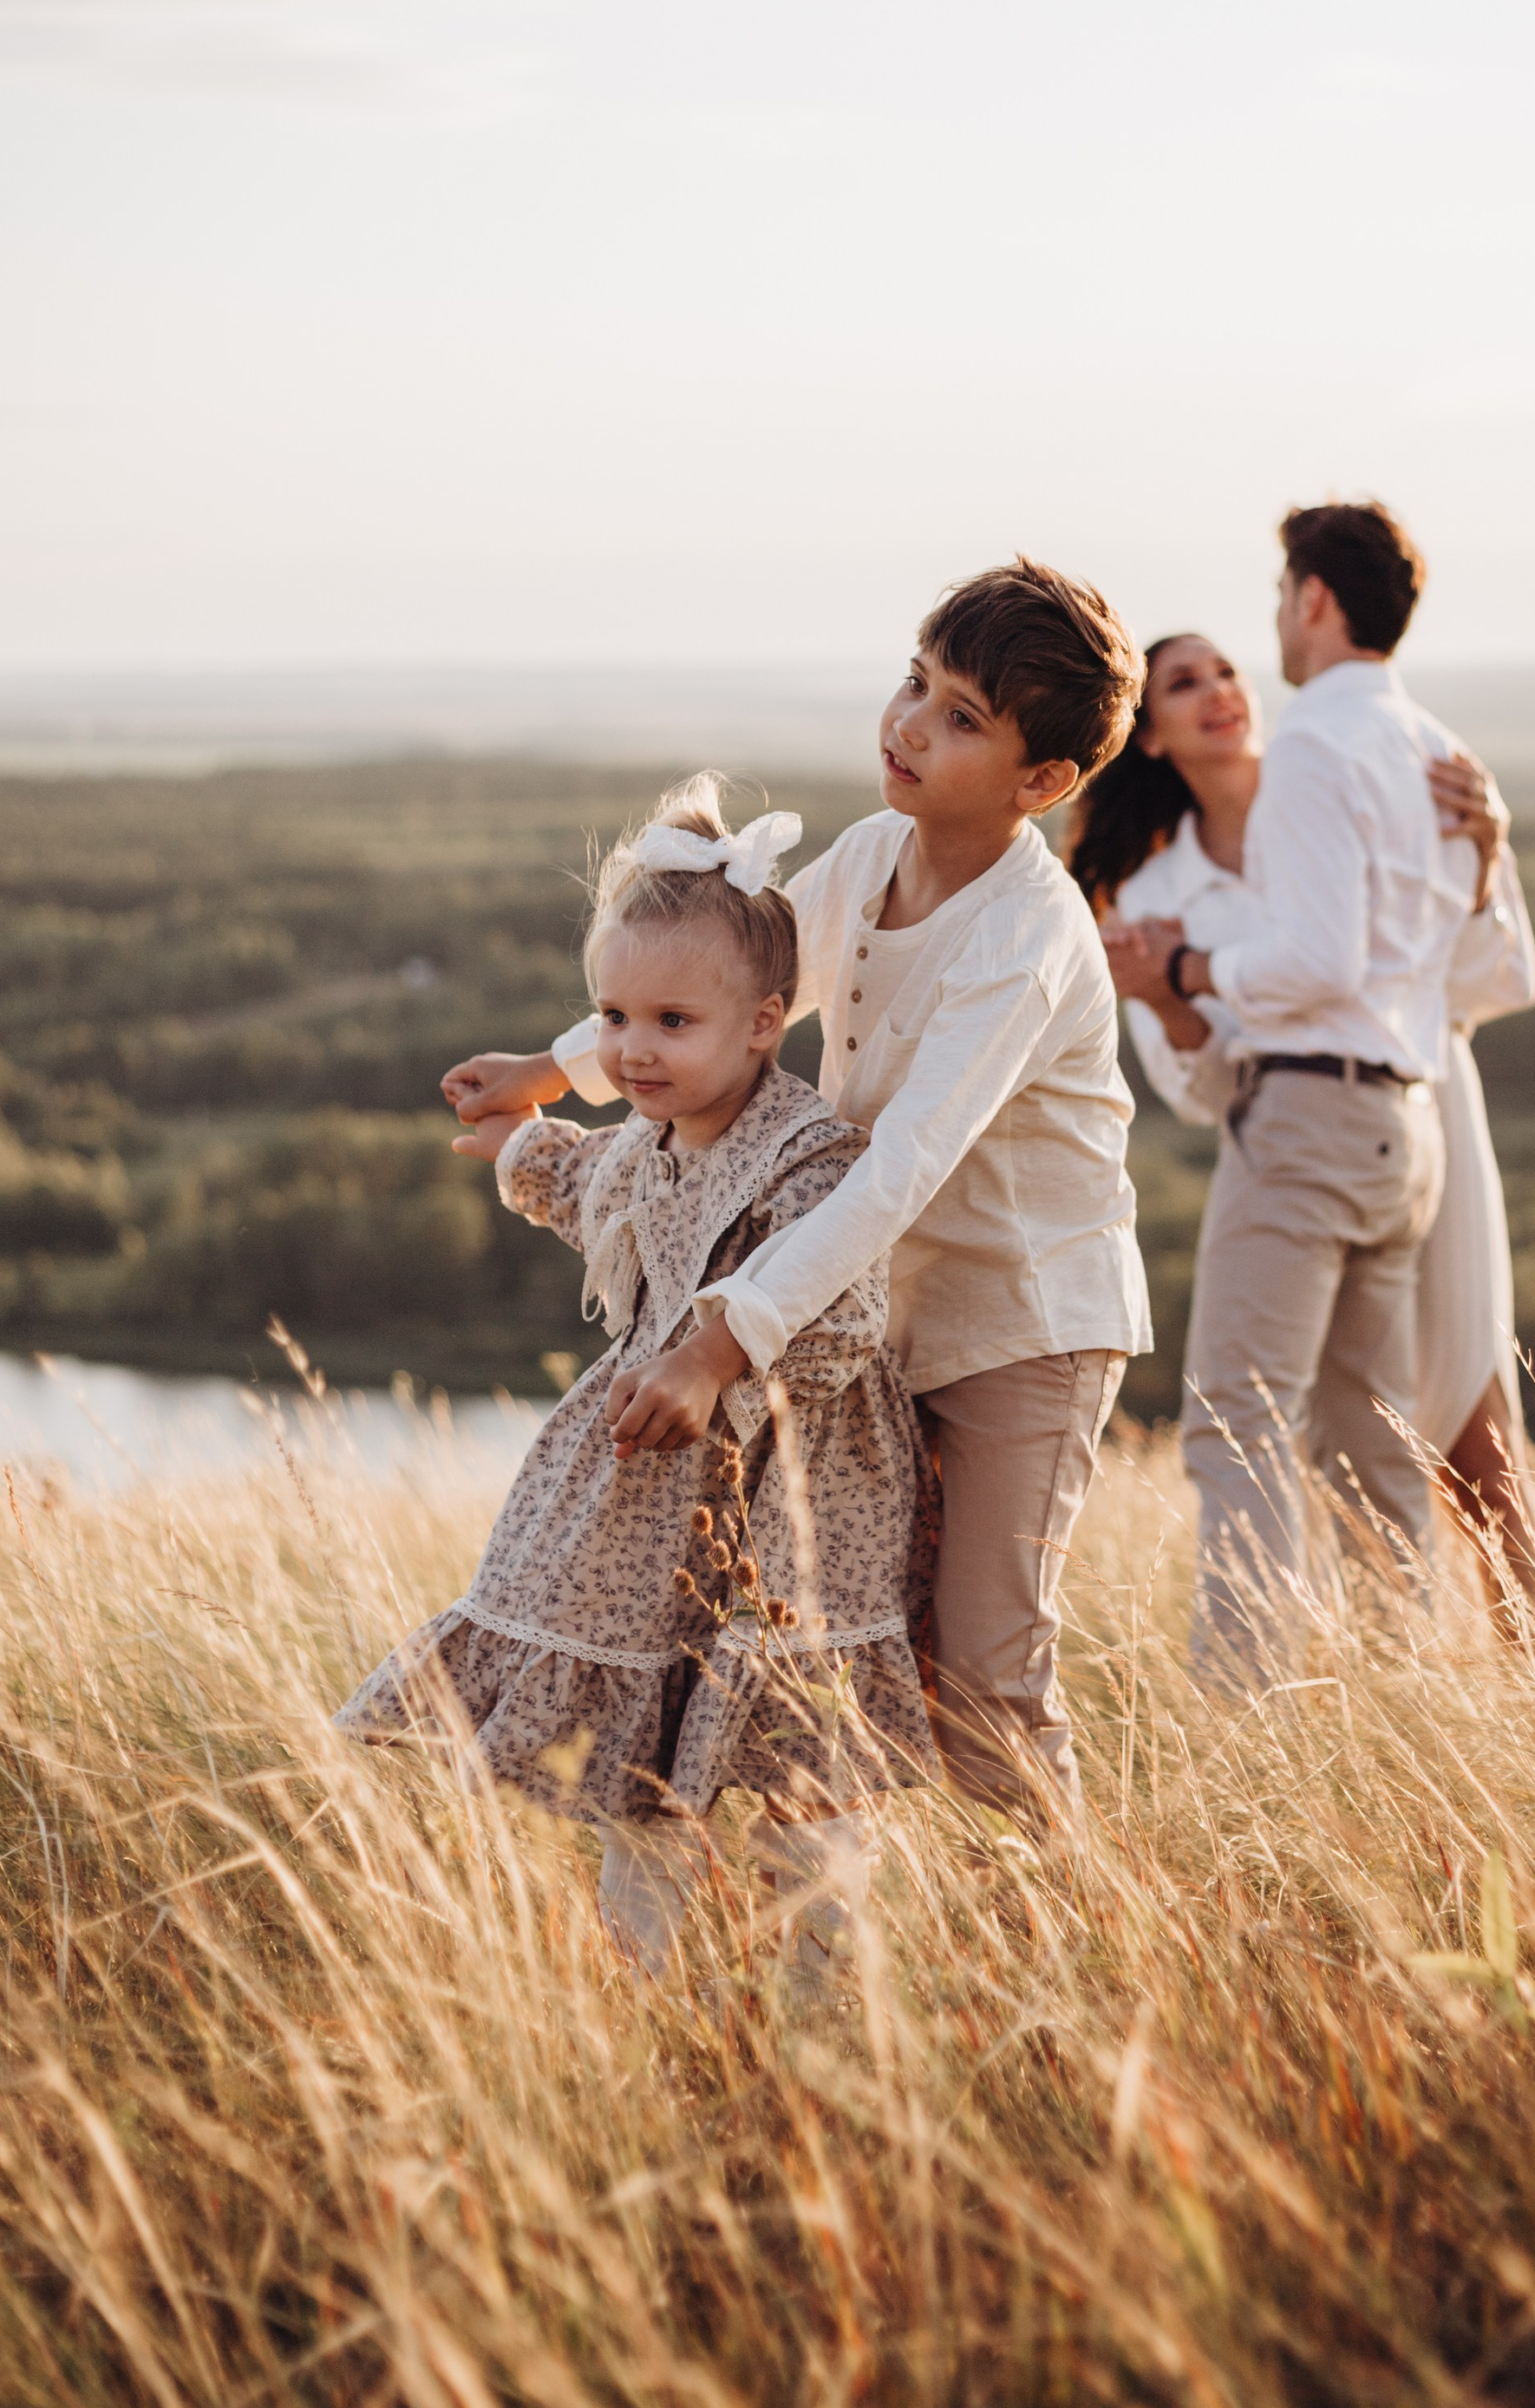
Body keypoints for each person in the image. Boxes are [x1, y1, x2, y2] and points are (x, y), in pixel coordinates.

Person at [441, 560, 1150, 1831]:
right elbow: (725, 988)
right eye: (916, 684)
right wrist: (552, 1071)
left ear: (1044, 783)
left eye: (962, 718)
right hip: (861, 1317)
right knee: (864, 1646)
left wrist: (717, 1344)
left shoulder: (1023, 942)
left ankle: (1067, 1961)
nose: (910, 724)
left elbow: (901, 1171)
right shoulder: (878, 853)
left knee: (986, 1671)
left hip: (1023, 1329)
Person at [337, 778, 937, 1989]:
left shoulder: (808, 1156)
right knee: (646, 1758)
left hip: (789, 1509)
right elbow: (588, 1187)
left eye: (671, 1022)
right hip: (655, 1510)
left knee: (798, 1774)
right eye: (612, 1015)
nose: (630, 1050)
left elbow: (845, 1320)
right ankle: (654, 1998)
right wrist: (517, 1144)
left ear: (765, 1024)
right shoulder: (658, 1141)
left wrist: (714, 1354)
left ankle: (831, 2021)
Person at [1074, 630, 1535, 1646]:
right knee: (1358, 1426)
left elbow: (1496, 982)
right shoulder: (1155, 895)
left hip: (1425, 1111)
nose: (1216, 694)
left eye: (1223, 672)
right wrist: (1174, 992)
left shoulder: (1345, 794)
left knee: (1471, 1417)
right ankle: (1391, 1669)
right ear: (1148, 736)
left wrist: (1484, 860)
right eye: (1182, 684)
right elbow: (1198, 1086)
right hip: (1291, 1131)